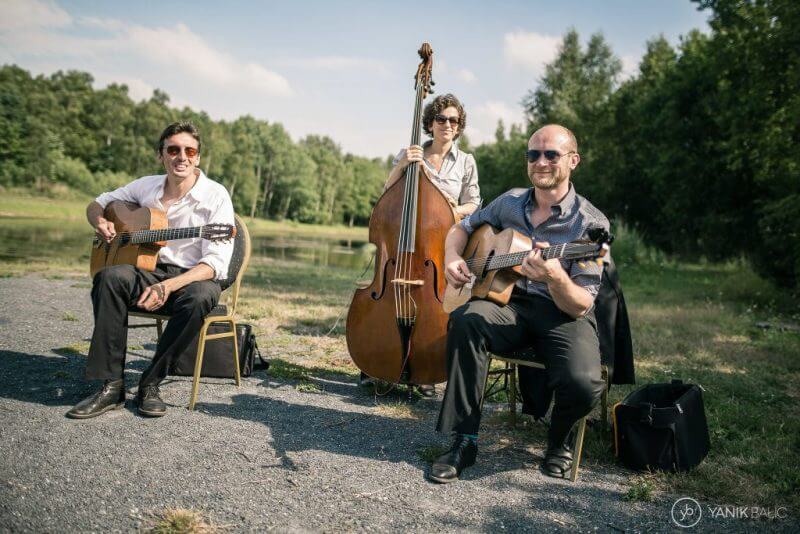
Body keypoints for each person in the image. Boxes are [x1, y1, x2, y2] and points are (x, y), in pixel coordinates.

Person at [428, 124, 609, 482]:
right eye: (533, 154)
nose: (540, 162)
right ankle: (464, 440)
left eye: (551, 154)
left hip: (563, 312)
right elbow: (462, 227)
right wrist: (452, 257)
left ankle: (558, 441)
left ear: (573, 161)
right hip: (506, 302)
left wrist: (555, 276)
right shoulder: (509, 201)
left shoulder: (591, 225)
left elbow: (581, 304)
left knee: (583, 382)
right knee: (465, 320)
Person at [67, 121, 235, 419]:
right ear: (162, 155)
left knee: (199, 297)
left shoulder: (216, 195)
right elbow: (97, 203)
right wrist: (100, 222)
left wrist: (168, 286)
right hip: (148, 269)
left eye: (189, 150)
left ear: (198, 157)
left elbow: (214, 266)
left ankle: (151, 382)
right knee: (109, 277)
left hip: (192, 277)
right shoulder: (146, 186)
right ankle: (112, 385)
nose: (181, 156)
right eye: (173, 149)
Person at [359, 93, 481, 397]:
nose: (448, 125)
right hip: (403, 245)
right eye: (441, 119)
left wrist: (455, 211)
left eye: (454, 120)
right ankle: (378, 359)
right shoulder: (410, 152)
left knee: (435, 306)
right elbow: (387, 195)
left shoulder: (466, 162)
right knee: (388, 297)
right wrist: (402, 164)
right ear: (430, 123)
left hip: (442, 245)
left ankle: (425, 366)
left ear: (459, 125)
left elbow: (475, 204)